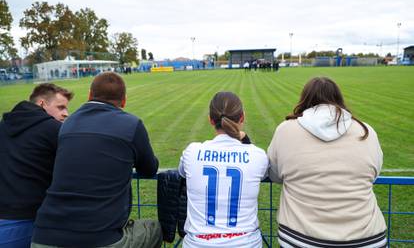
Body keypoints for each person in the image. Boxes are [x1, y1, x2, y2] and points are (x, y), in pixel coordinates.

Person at [31, 72, 162, 248]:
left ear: (90, 95)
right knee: (154, 229)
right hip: (99, 237)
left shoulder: (67, 124)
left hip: (44, 236)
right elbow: (149, 169)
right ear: (123, 101)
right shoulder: (132, 124)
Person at [267, 77, 387, 248]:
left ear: (305, 99)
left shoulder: (285, 130)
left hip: (301, 238)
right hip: (368, 238)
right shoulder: (365, 131)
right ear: (338, 98)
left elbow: (274, 174)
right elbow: (373, 174)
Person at [178, 91, 269, 247]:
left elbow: (181, 172)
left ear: (211, 120)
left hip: (198, 243)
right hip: (246, 243)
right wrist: (244, 139)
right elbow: (264, 173)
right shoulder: (257, 155)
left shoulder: (192, 151)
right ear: (242, 117)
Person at [0, 83, 73, 247]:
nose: (66, 113)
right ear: (42, 103)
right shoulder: (53, 129)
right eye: (60, 107)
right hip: (30, 221)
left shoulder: (4, 126)